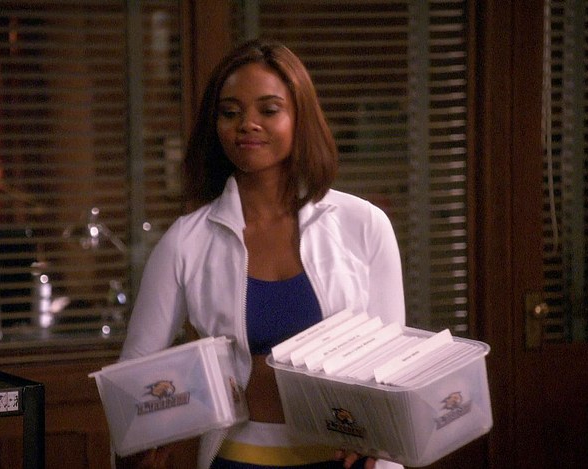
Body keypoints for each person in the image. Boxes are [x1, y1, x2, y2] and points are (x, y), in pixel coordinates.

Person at [118, 39, 405, 469]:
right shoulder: (185, 241)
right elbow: (134, 374)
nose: (247, 124)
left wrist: (379, 435)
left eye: (269, 110)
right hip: (239, 458)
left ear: (300, 117)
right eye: (230, 112)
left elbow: (393, 367)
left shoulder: (364, 225)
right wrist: (141, 440)